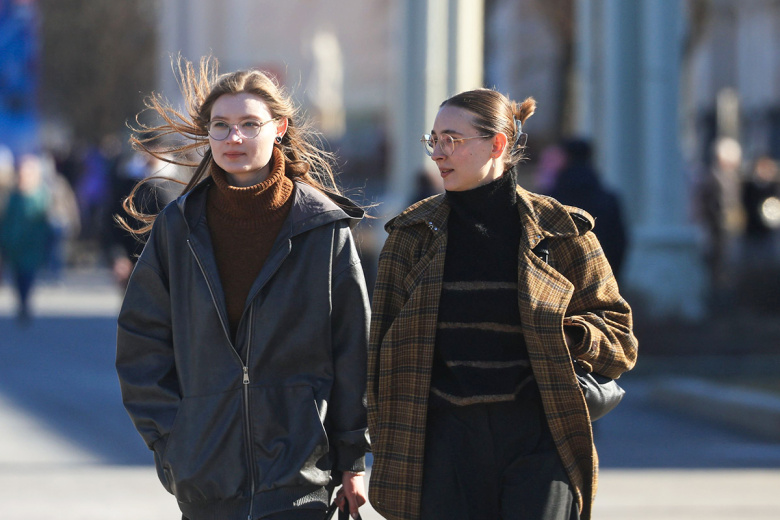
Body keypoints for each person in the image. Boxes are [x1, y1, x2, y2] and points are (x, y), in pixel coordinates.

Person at [115, 56, 370, 520]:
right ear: (208, 133)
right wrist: (174, 443)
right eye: (221, 125)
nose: (234, 138)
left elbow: (352, 348)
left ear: (280, 128)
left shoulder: (322, 229)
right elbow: (141, 342)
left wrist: (351, 457)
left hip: (301, 480)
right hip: (207, 481)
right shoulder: (178, 227)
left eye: (250, 124)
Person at [367, 89, 638, 520]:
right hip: (442, 444)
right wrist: (365, 446)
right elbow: (378, 353)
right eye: (433, 140)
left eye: (452, 139)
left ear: (497, 144)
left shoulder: (562, 232)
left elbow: (620, 339)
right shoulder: (411, 235)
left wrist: (569, 335)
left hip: (539, 436)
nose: (437, 153)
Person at [547, 138, 628, 280]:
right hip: (600, 272)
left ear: (566, 157)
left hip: (561, 278)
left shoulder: (553, 198)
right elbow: (618, 241)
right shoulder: (607, 198)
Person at [0, 153, 54, 323]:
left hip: (33, 243)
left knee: (28, 273)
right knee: (17, 275)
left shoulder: (41, 195)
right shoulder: (13, 196)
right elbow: (6, 219)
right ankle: (22, 301)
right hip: (14, 243)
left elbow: (45, 219)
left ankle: (25, 301)